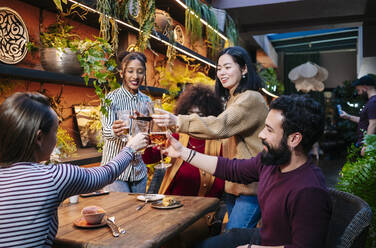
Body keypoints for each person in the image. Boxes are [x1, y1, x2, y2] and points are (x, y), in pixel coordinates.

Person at [162, 94, 332, 248]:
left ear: (294, 139)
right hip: (262, 239)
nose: (261, 135)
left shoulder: (309, 191)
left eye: (269, 130)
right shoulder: (271, 162)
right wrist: (182, 152)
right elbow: (231, 168)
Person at [0, 92, 148, 247]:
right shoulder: (52, 177)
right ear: (39, 138)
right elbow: (107, 173)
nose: (57, 139)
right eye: (55, 131)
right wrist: (130, 149)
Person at [152, 46, 268, 229]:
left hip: (250, 189)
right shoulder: (234, 99)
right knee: (231, 238)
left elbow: (220, 127)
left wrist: (178, 121)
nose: (222, 73)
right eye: (219, 68)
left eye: (228, 67)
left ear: (244, 69)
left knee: (231, 239)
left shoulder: (251, 98)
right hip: (236, 187)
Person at [101, 51, 152, 193]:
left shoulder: (147, 101)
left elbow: (151, 134)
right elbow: (105, 132)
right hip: (115, 171)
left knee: (139, 214)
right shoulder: (110, 99)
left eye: (140, 72)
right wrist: (114, 130)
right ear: (122, 73)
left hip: (138, 171)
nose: (135, 76)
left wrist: (148, 125)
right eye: (130, 71)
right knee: (120, 214)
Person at [339, 74, 376, 156]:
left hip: (369, 146)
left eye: (358, 90)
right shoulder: (371, 102)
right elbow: (365, 121)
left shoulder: (373, 102)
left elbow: (373, 124)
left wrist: (366, 145)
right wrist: (347, 116)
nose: (358, 93)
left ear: (365, 87)